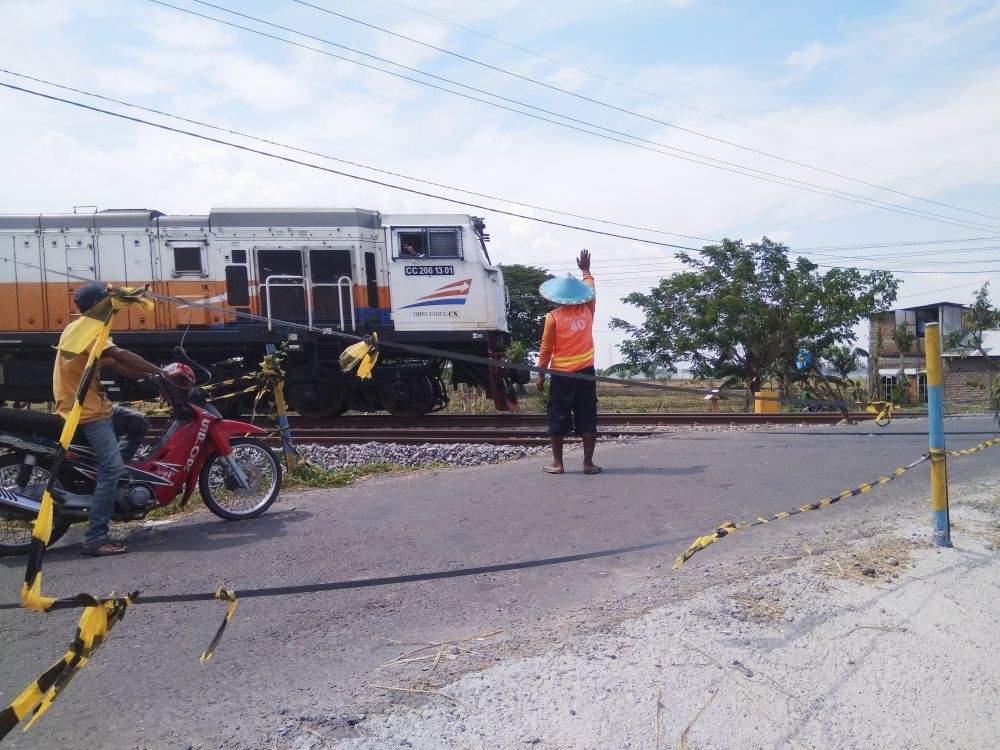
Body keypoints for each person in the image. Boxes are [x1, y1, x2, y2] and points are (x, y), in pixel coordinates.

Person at [53, 282, 165, 556]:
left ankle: (115, 485)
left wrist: (151, 378)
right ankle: (95, 537)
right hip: (86, 412)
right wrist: (161, 372)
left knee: (138, 423)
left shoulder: (85, 329)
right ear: (97, 306)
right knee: (111, 469)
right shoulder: (87, 330)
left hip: (95, 407)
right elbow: (121, 355)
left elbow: (117, 365)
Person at [535, 249, 600, 475]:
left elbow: (545, 349)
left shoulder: (553, 317)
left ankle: (558, 463)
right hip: (586, 372)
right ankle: (588, 463)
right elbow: (591, 289)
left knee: (558, 416)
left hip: (562, 375)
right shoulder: (589, 309)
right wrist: (586, 270)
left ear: (558, 296)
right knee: (587, 414)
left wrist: (541, 374)